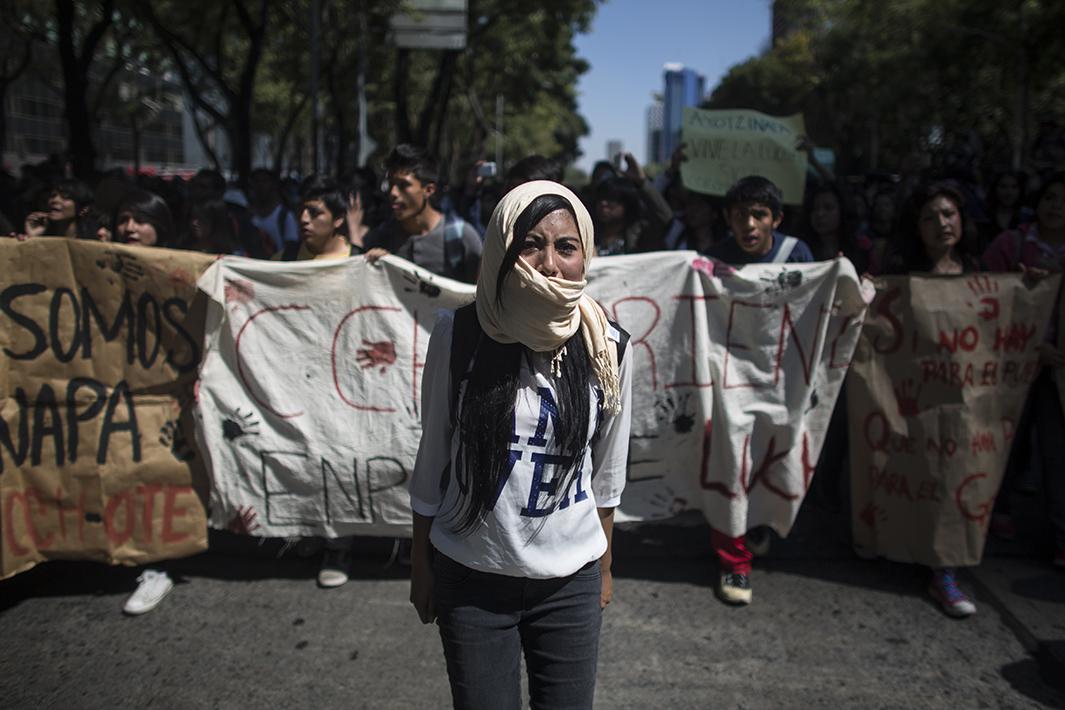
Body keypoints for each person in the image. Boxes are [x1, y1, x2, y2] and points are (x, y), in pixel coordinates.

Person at [409, 180, 632, 710]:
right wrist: (422, 567)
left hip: (570, 588)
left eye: (566, 246)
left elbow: (607, 474)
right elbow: (432, 463)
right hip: (471, 581)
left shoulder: (611, 348)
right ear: (502, 250)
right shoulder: (458, 334)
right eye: (530, 244)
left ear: (586, 256)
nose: (549, 264)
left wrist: (602, 569)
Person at [984, 172, 1065, 570]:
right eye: (1050, 197)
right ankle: (993, 508)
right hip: (1011, 363)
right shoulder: (1011, 244)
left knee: (1055, 449)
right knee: (1002, 441)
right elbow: (982, 296)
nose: (1056, 206)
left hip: (1058, 367)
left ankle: (1061, 532)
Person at [364, 144, 482, 283]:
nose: (393, 193)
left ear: (428, 190)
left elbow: (480, 295)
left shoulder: (461, 237)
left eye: (403, 185)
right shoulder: (380, 238)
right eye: (391, 184)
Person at [707, 175, 814, 267]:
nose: (749, 224)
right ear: (728, 218)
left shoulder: (795, 253)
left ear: (776, 219)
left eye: (759, 215)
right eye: (740, 215)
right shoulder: (713, 260)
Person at [591, 152, 672, 255]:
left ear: (627, 203)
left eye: (611, 198)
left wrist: (642, 182)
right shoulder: (589, 232)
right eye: (600, 198)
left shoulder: (641, 233)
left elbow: (666, 218)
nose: (603, 203)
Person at [276, 176, 357, 263]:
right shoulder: (282, 261)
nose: (304, 219)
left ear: (338, 219)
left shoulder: (359, 262)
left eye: (314, 212)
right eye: (300, 210)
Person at [248, 168, 299, 254]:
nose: (260, 185)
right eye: (256, 181)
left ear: (273, 185)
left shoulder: (285, 216)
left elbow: (291, 248)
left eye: (264, 181)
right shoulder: (247, 216)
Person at [22, 178, 94, 239]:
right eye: (53, 195)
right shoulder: (46, 239)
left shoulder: (93, 243)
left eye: (65, 197)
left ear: (83, 209)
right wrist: (33, 236)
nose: (54, 200)